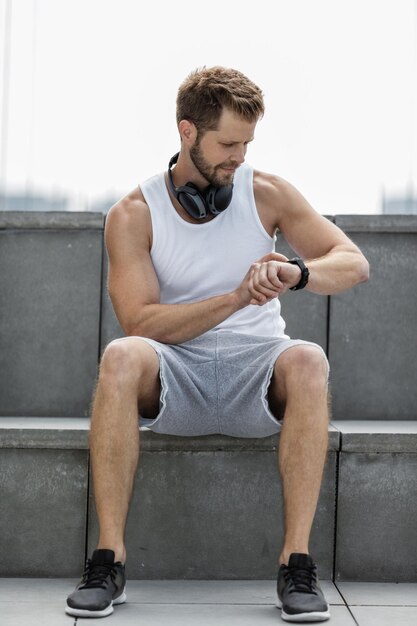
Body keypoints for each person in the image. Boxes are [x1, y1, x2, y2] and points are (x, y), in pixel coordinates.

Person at [66, 66, 369, 622]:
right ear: (187, 132)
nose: (239, 156)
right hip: (174, 374)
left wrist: (297, 273)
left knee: (307, 358)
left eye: (247, 143)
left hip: (257, 373)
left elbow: (353, 261)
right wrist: (235, 298)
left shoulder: (267, 192)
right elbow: (140, 323)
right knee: (119, 354)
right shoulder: (132, 214)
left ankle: (296, 564)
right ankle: (108, 559)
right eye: (228, 144)